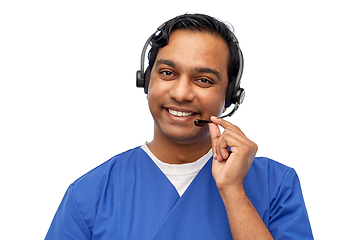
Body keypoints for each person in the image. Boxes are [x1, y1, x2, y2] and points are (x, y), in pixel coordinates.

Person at [45, 13, 313, 239]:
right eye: (168, 73)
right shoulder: (88, 195)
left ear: (230, 94)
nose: (182, 93)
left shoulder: (277, 186)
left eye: (204, 80)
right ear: (147, 80)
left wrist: (234, 192)